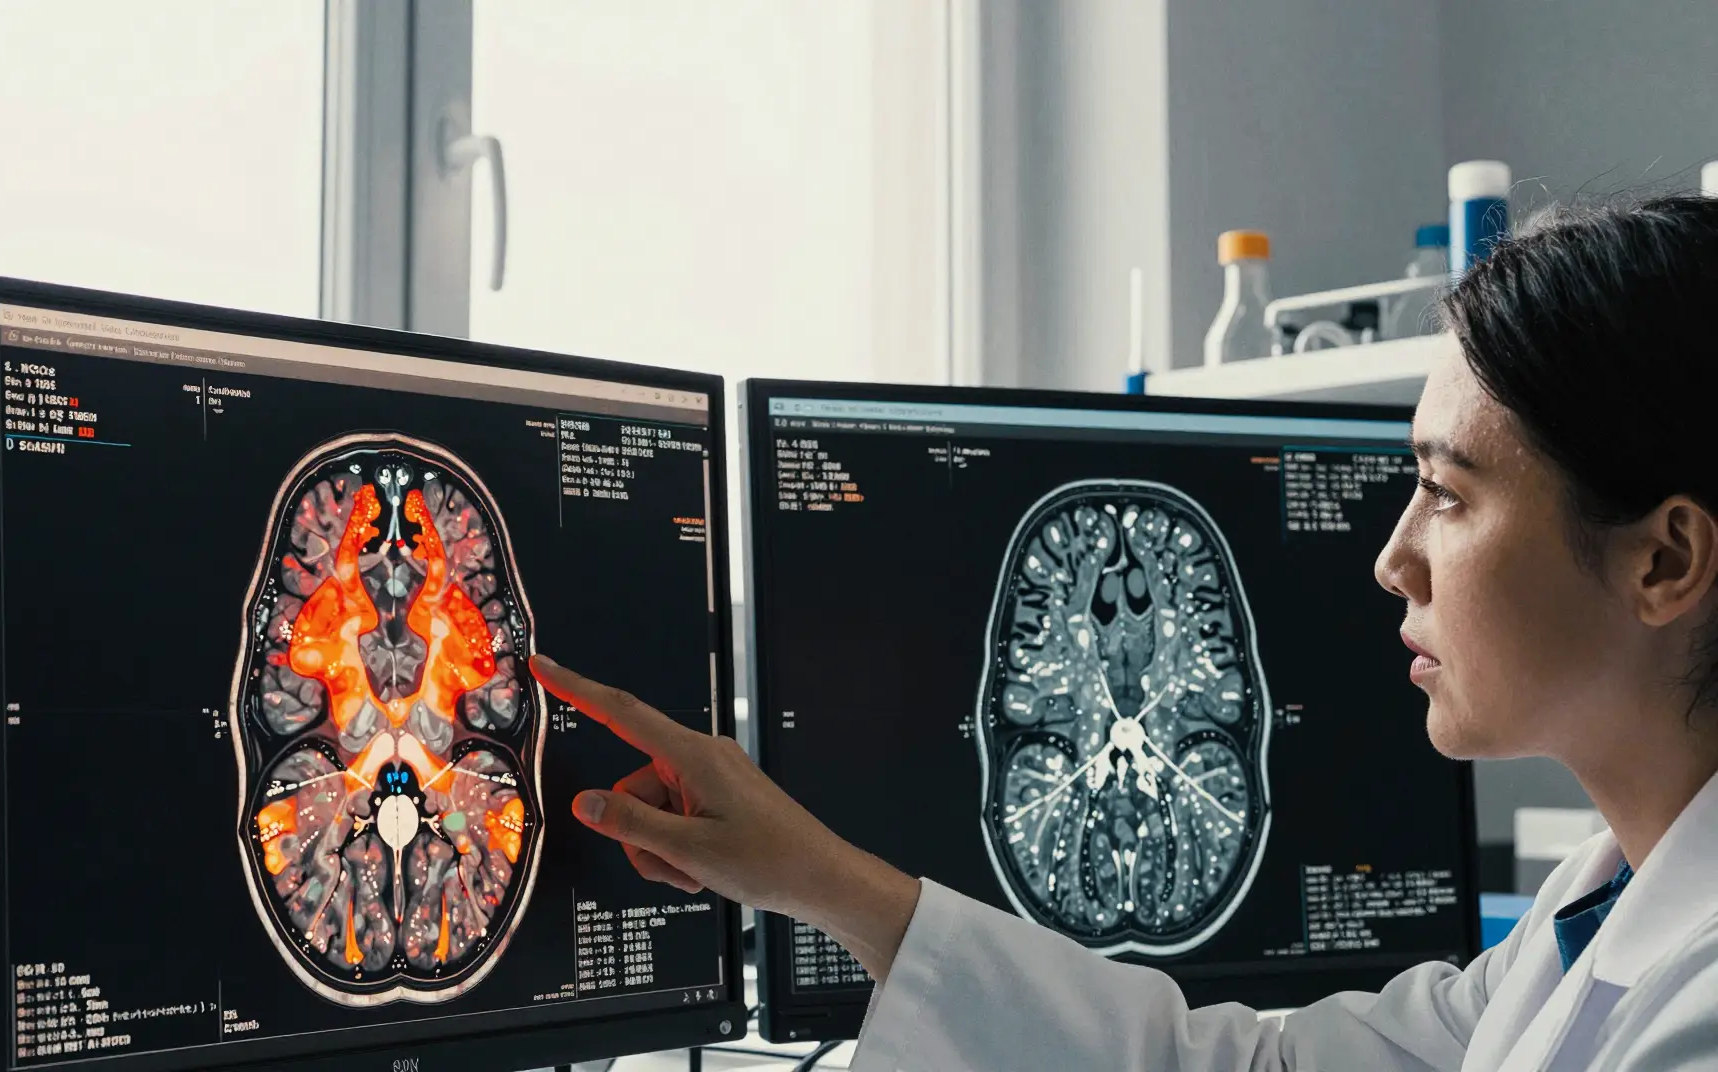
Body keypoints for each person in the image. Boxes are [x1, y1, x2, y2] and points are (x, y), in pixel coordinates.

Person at [531, 195, 1718, 1071]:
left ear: (1662, 561)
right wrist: (821, 879)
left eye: (1448, 495)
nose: (1391, 557)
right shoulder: (1594, 909)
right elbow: (1241, 1069)